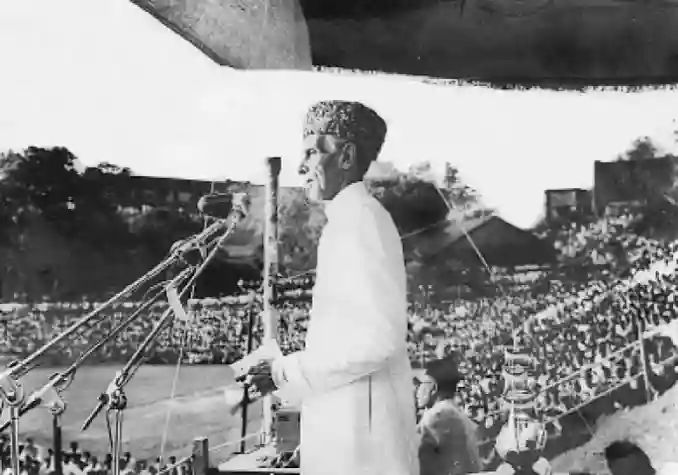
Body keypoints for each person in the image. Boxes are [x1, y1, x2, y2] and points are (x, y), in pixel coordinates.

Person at [242, 100, 419, 475]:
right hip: (348, 436)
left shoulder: (362, 222)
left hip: (363, 450)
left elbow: (377, 341)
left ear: (346, 156)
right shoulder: (348, 222)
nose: (301, 166)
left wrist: (283, 372)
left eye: (311, 152)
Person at [416, 354, 482, 475]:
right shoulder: (456, 414)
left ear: (433, 387)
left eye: (421, 384)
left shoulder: (437, 417)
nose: (418, 390)